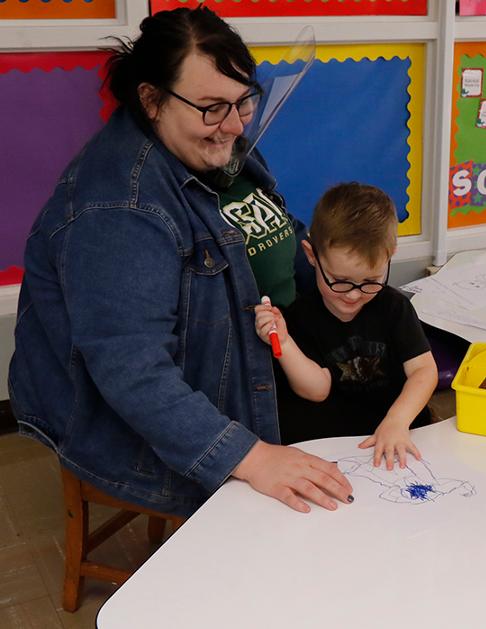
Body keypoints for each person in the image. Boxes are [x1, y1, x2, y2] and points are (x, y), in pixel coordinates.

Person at [8, 7, 353, 517]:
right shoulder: (121, 210)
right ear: (151, 99)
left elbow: (278, 227)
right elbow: (134, 373)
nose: (234, 126)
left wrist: (348, 283)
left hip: (256, 357)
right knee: (312, 506)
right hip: (148, 426)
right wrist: (253, 458)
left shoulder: (214, 147)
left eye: (244, 102)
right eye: (212, 107)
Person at [254, 183, 438, 469]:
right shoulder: (301, 316)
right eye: (339, 281)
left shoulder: (394, 307)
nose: (353, 294)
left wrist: (397, 421)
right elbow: (317, 388)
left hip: (393, 440)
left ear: (390, 255)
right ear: (312, 255)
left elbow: (423, 371)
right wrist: (286, 343)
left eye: (370, 281)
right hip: (332, 450)